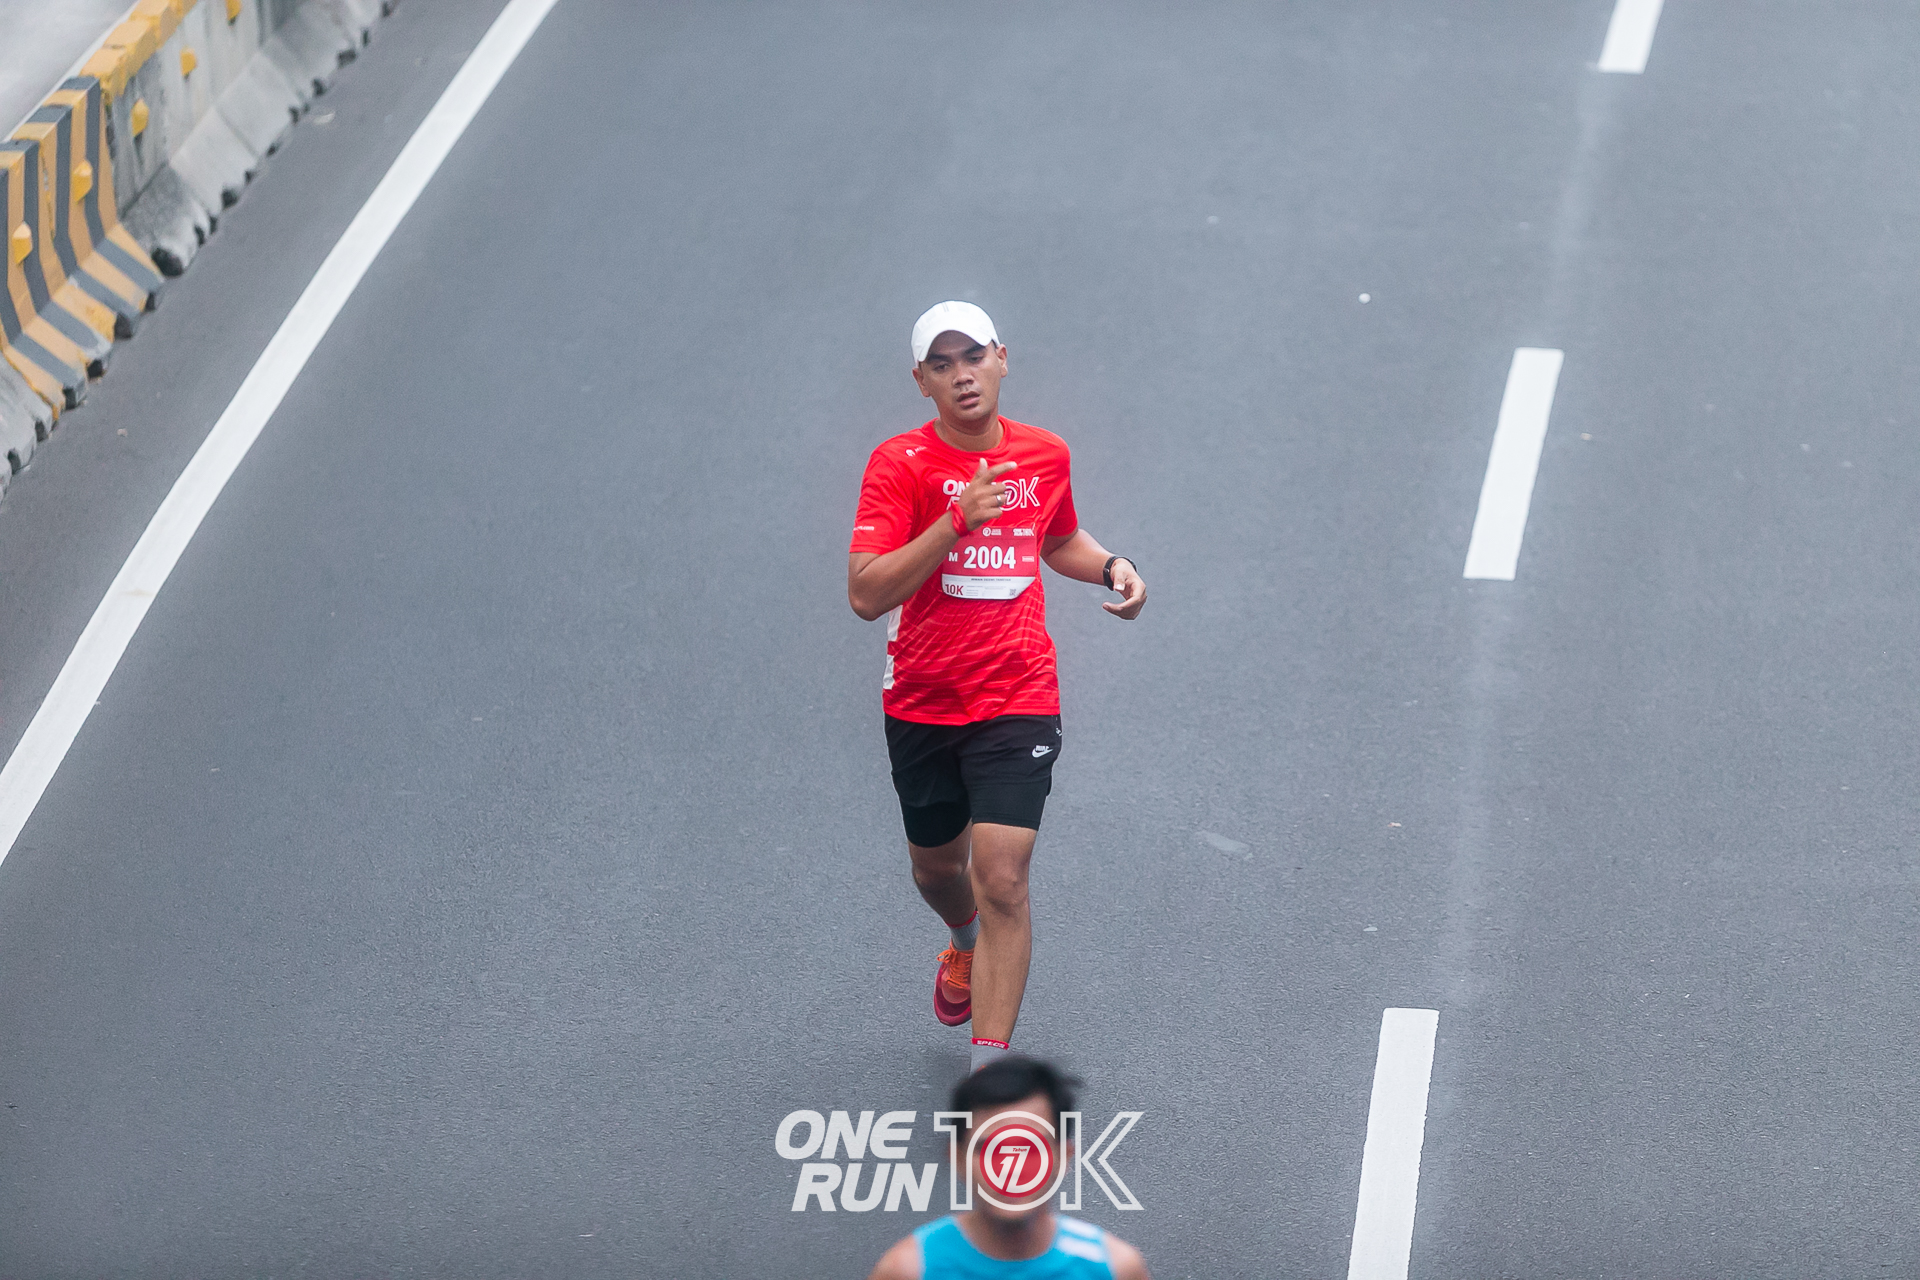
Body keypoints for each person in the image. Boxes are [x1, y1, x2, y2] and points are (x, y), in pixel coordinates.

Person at [848, 301, 1145, 1073]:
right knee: (938, 872)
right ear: (921, 381)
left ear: (1002, 359)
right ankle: (962, 941)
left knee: (1004, 877)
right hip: (922, 702)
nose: (962, 375)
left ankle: (989, 1083)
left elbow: (1059, 537)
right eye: (941, 364)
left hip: (1018, 697)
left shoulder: (1045, 454)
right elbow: (866, 594)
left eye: (973, 356)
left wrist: (1113, 566)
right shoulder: (899, 465)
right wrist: (955, 520)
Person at [866, 1056, 1151, 1280]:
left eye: (1029, 1148)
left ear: (1063, 1157)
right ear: (957, 1157)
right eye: (987, 1148)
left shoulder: (1116, 1269)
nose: (1009, 1170)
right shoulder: (907, 1270)